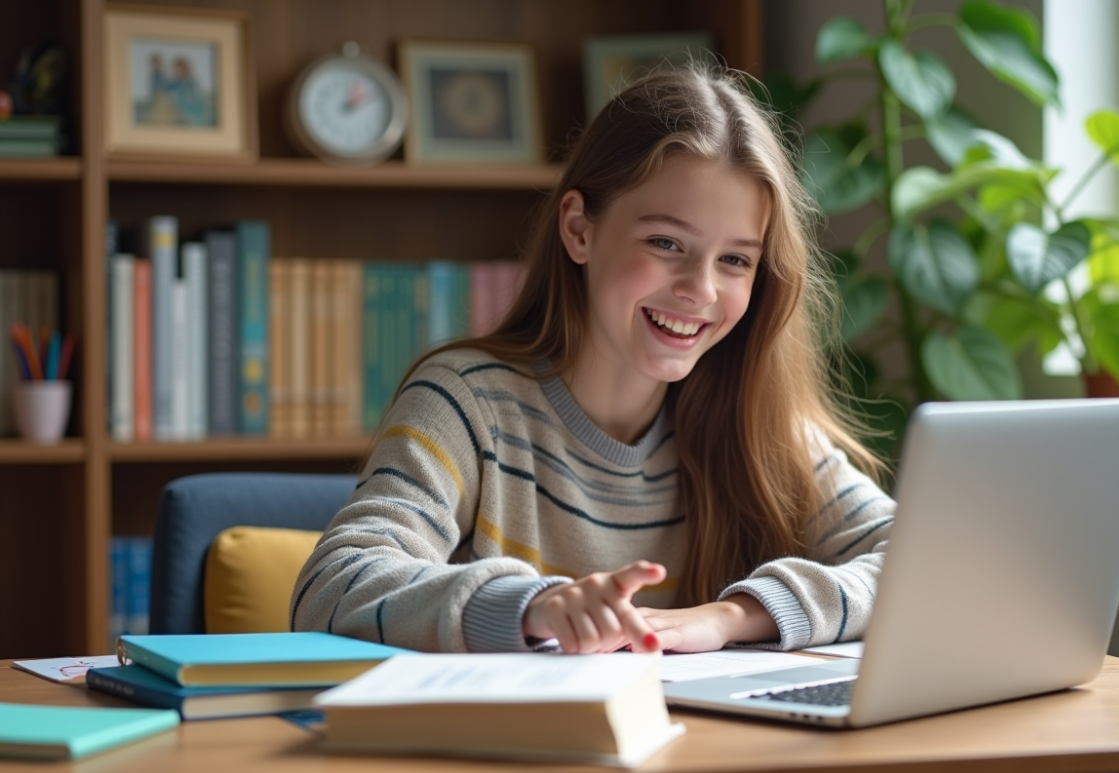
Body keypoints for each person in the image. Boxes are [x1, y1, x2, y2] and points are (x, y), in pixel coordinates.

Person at [290, 65, 896, 655]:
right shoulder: (467, 401)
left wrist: (734, 615)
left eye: (735, 260)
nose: (701, 289)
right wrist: (535, 607)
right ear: (579, 229)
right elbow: (330, 586)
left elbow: (924, 557)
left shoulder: (759, 420)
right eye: (666, 243)